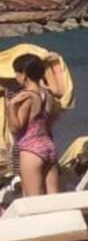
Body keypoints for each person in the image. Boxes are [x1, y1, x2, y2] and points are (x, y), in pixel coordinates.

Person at [7, 54, 59, 197]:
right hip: (49, 147)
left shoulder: (27, 97)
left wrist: (11, 106)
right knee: (54, 200)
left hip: (31, 150)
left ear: (24, 75)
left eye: (17, 73)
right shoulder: (47, 94)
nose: (16, 77)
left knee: (32, 201)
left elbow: (16, 128)